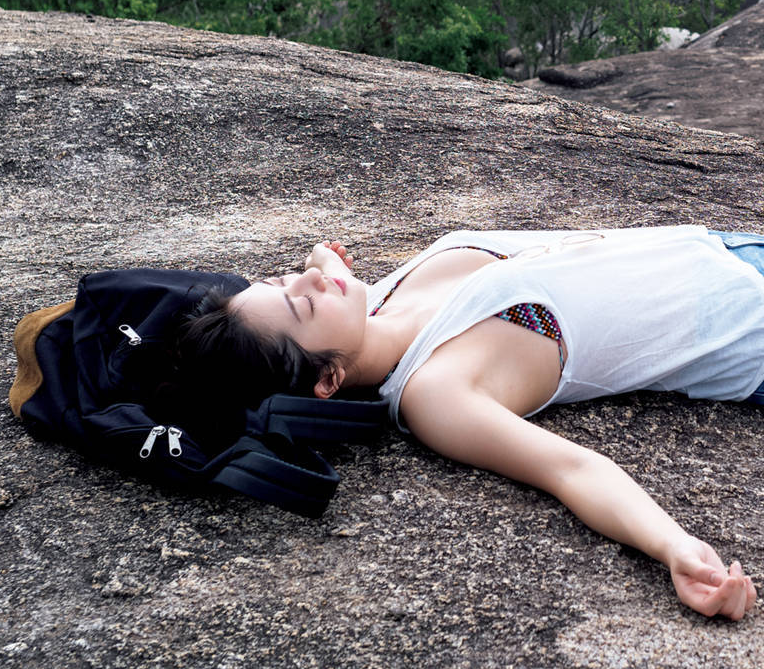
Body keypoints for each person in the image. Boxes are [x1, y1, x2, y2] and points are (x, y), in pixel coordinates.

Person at [174, 226, 763, 622]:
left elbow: (319, 268)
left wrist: (317, 272)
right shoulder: (435, 392)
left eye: (282, 280)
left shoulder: (376, 300)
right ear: (326, 380)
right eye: (303, 303)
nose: (309, 281)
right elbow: (572, 470)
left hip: (721, 249)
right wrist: (674, 547)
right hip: (743, 330)